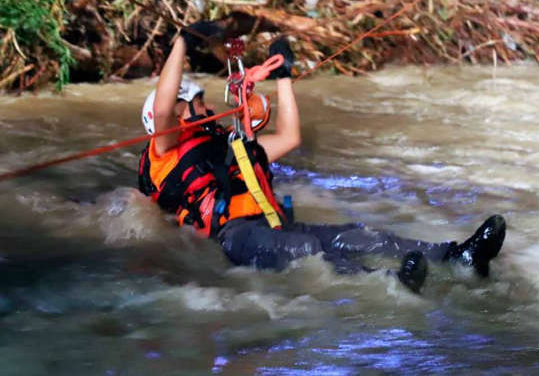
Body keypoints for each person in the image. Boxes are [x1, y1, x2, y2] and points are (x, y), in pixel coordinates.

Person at [137, 22, 507, 293]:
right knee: (305, 249)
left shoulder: (228, 144)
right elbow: (164, 102)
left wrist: (283, 76)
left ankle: (457, 257)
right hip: (234, 238)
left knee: (360, 236)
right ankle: (392, 285)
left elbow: (290, 136)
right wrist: (183, 42)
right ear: (180, 111)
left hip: (272, 224)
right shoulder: (165, 151)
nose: (211, 106)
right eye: (201, 102)